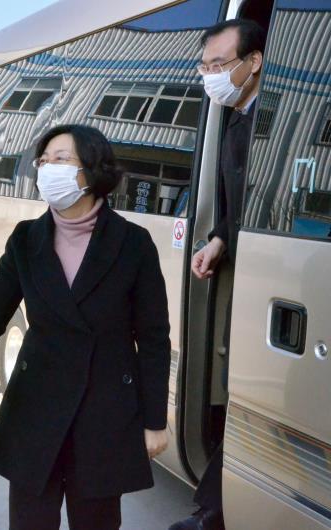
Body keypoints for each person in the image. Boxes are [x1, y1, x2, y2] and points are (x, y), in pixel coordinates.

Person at [0, 124, 171, 530]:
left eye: (61, 159)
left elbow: (154, 339)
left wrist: (154, 421)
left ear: (92, 170)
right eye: (44, 160)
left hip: (103, 413)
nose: (48, 168)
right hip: (36, 412)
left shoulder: (133, 243)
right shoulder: (26, 239)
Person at [172, 19, 266, 530]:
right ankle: (215, 508)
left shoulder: (270, 122)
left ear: (254, 63)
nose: (209, 76)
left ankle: (215, 509)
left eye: (219, 64)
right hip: (245, 276)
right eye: (204, 66)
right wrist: (218, 240)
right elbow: (238, 208)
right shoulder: (234, 122)